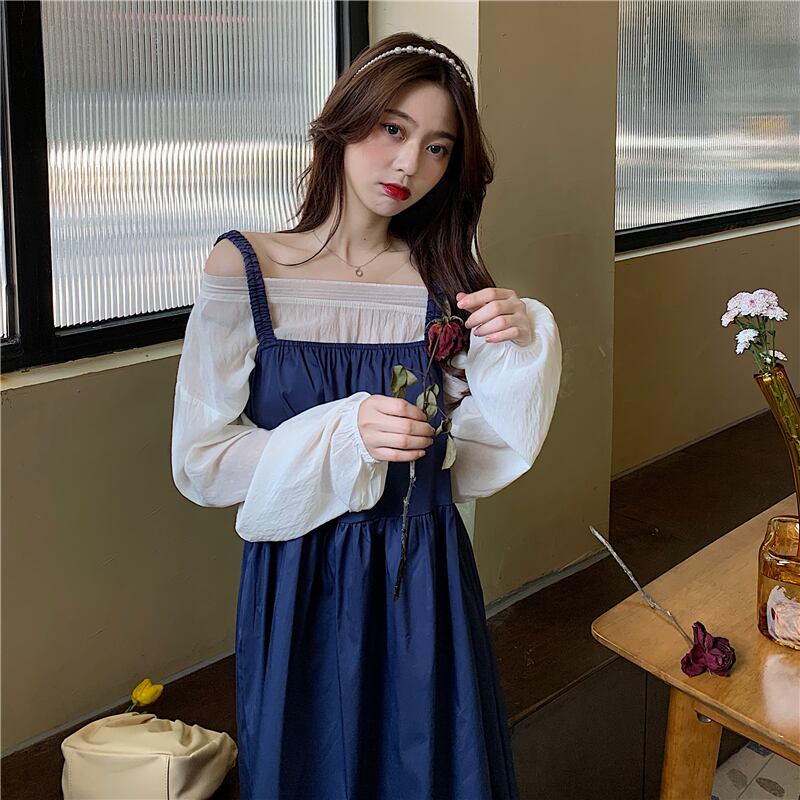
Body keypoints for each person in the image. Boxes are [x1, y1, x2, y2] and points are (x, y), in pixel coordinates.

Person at [171, 30, 562, 800]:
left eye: (438, 147)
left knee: (430, 771)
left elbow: (474, 452)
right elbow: (203, 463)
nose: (409, 164)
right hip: (299, 577)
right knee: (308, 766)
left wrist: (521, 350)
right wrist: (341, 434)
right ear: (344, 125)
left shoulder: (445, 280)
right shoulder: (245, 268)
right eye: (392, 129)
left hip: (423, 573)